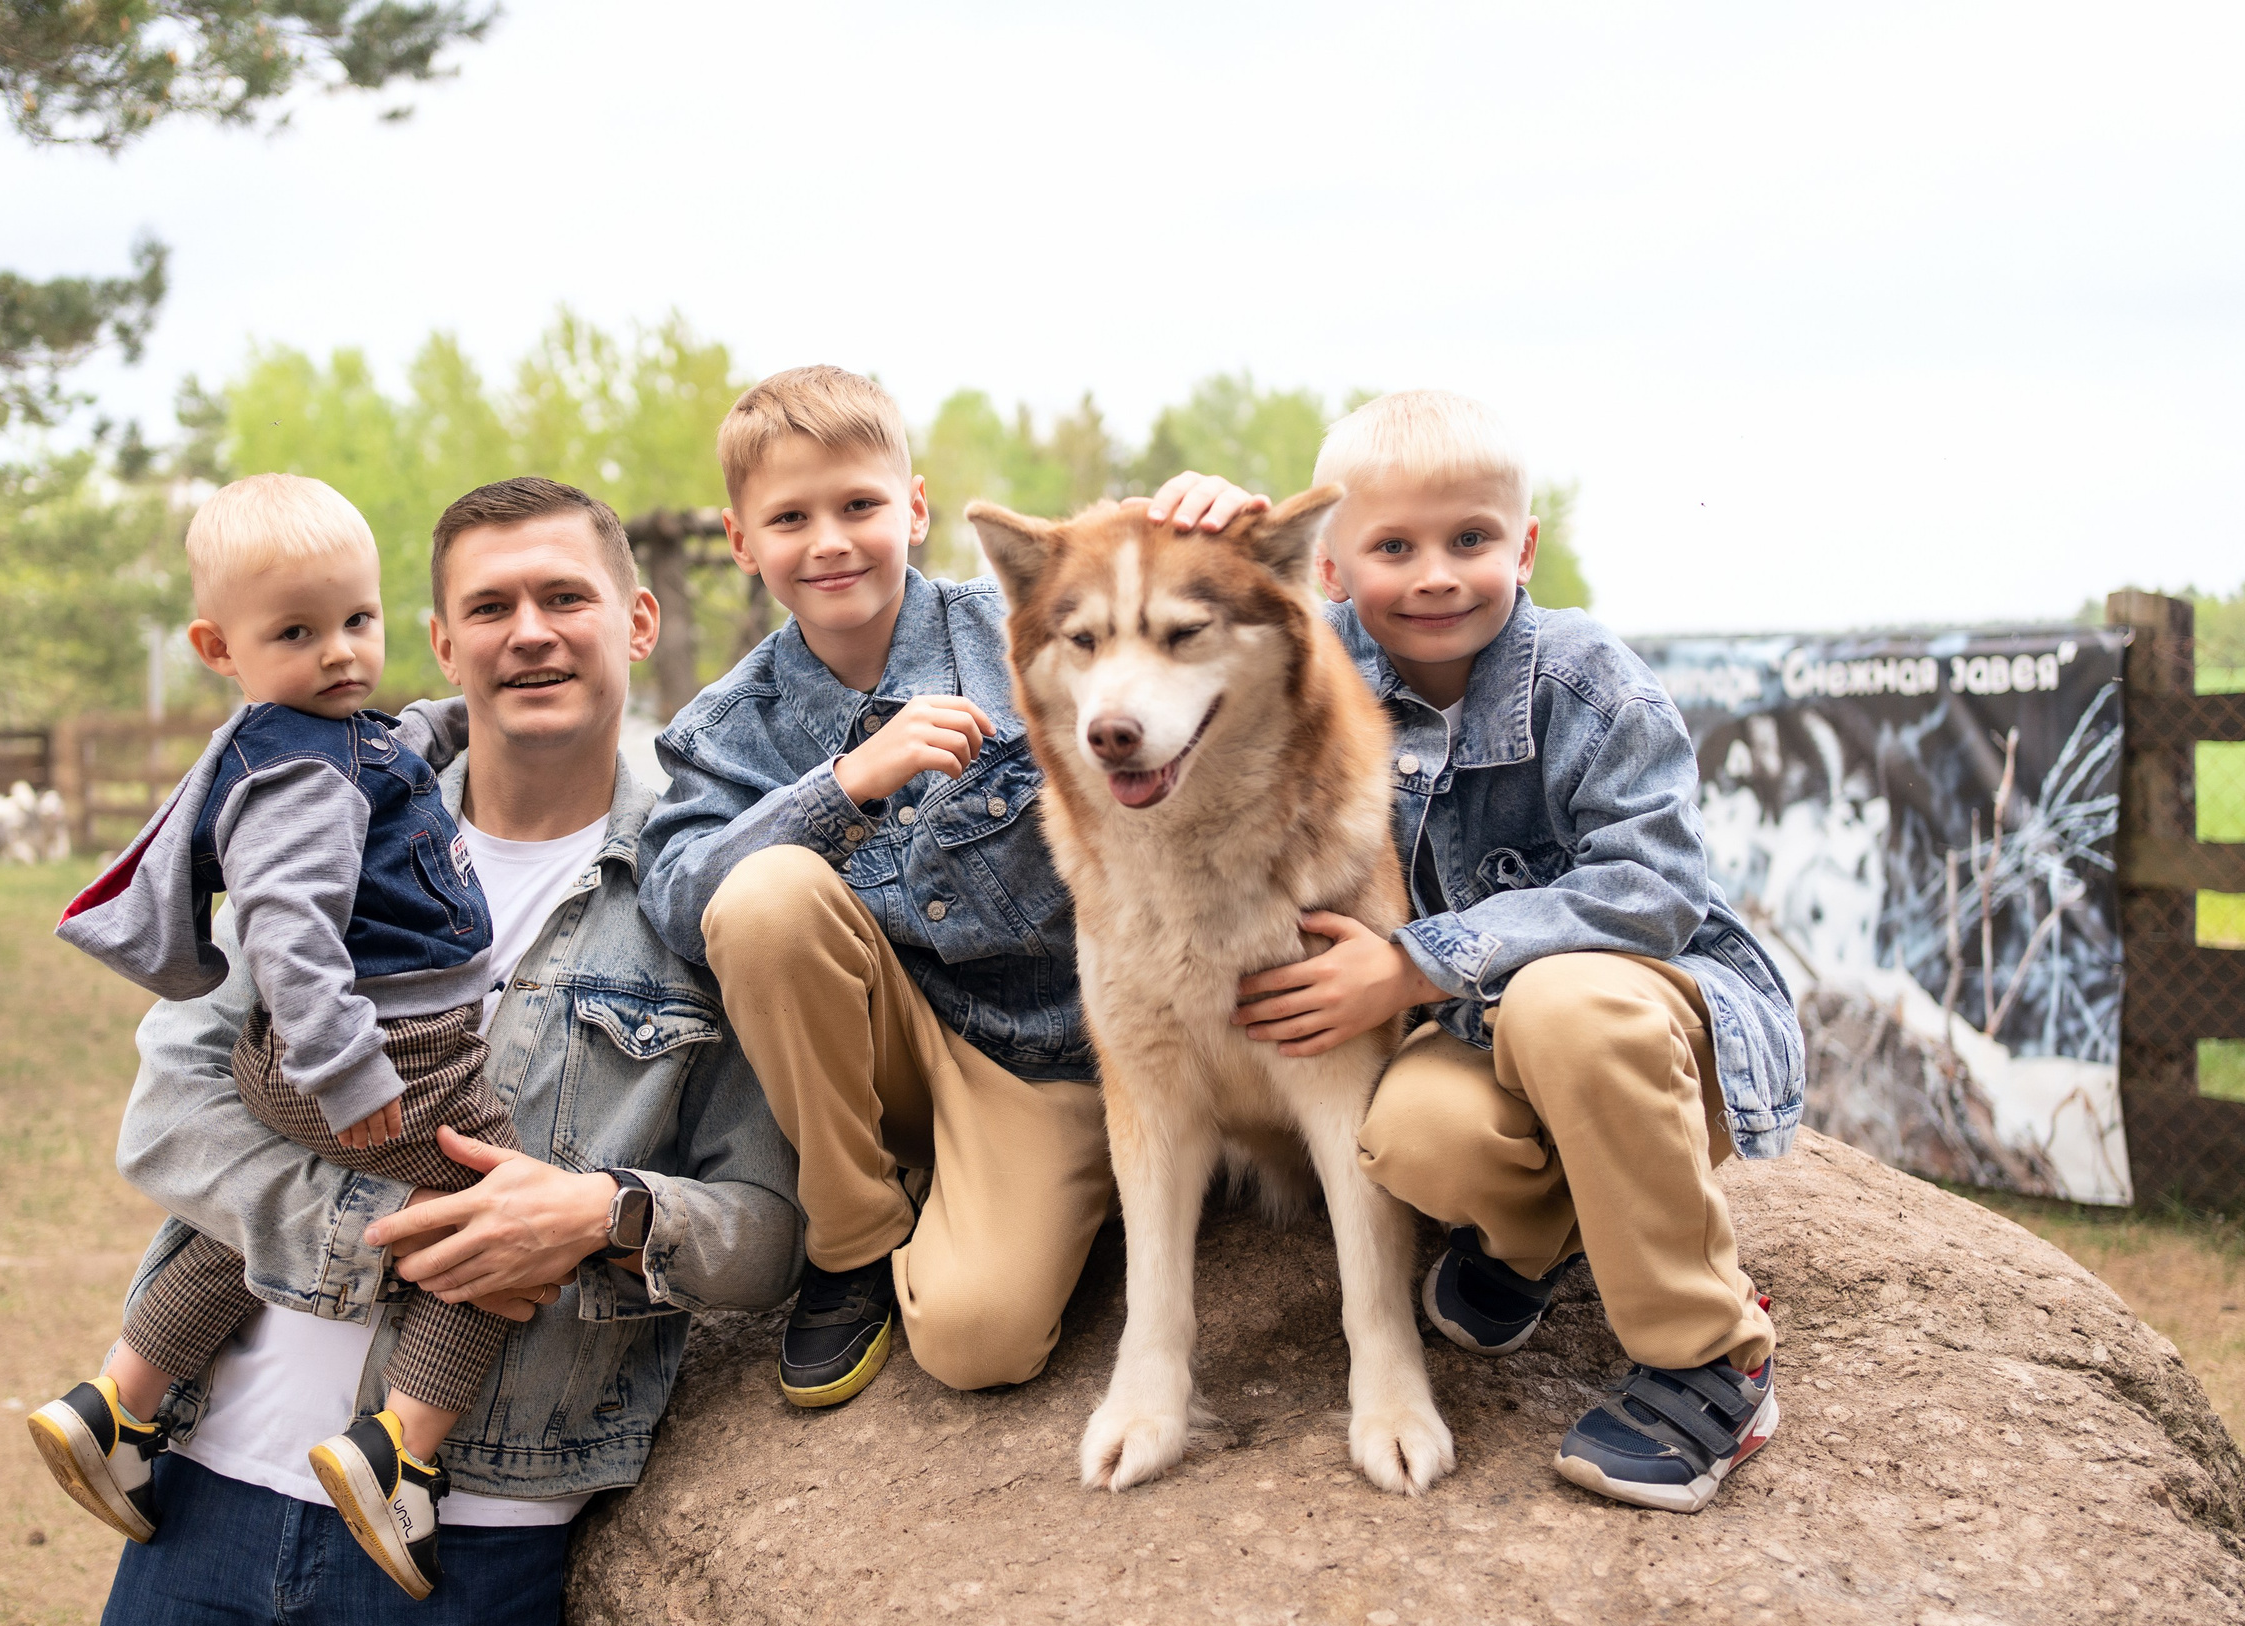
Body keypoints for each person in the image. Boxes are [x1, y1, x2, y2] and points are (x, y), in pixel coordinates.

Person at [84, 476, 801, 1626]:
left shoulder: (712, 893)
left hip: (470, 1537)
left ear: (636, 622)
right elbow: (169, 1115)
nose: (529, 631)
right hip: (203, 1486)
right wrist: (392, 1239)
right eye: (491, 605)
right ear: (438, 642)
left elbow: (771, 1230)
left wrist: (599, 1216)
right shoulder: (324, 816)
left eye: (565, 596)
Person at [636, 364, 1258, 1407]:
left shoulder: (1036, 627)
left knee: (977, 1336)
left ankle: (1069, 1187)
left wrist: (1225, 536)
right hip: (941, 1058)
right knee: (760, 896)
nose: (829, 540)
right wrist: (842, 787)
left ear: (914, 510)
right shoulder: (728, 726)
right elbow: (675, 898)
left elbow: (1268, 659)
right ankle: (855, 1236)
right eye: (789, 517)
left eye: (859, 505)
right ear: (743, 545)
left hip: (1084, 1041)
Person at [1228, 390, 1804, 1514]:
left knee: (1556, 1006)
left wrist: (1411, 962)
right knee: (1401, 1132)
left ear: (1523, 546)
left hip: (1654, 1023)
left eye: (1471, 540)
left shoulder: (1587, 679)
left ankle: (1711, 1358)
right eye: (1392, 546)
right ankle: (1541, 1233)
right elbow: (1175, 643)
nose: (1436, 573)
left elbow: (1653, 889)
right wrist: (1204, 525)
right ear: (1331, 570)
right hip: (1481, 1035)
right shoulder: (1316, 667)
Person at [36, 471, 526, 1602]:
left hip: (311, 1071)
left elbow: (401, 739)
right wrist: (347, 1068)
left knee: (246, 1233)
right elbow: (288, 932)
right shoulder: (297, 774)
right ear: (219, 646)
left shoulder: (326, 733)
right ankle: (398, 1453)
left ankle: (118, 1401)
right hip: (387, 1060)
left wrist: (472, 712)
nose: (341, 653)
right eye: (296, 633)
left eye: (358, 621)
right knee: (495, 1231)